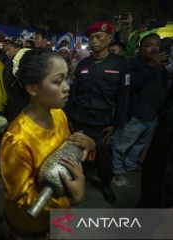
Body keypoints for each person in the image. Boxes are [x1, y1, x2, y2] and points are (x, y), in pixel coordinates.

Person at [0, 48, 95, 239]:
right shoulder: (17, 140)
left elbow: (67, 156)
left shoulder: (59, 114)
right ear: (33, 88)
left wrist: (88, 146)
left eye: (67, 78)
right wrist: (71, 198)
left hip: (60, 218)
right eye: (57, 81)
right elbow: (22, 200)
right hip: (34, 225)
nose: (67, 86)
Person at [67, 21, 130, 204]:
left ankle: (105, 184)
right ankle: (78, 182)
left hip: (103, 125)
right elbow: (74, 93)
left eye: (98, 37)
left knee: (104, 160)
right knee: (77, 156)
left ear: (110, 39)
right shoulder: (83, 64)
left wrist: (115, 125)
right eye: (91, 38)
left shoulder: (120, 64)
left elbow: (123, 97)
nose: (94, 41)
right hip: (80, 121)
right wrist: (70, 118)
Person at [112, 33, 167, 186]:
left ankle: (129, 165)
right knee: (121, 146)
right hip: (135, 116)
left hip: (152, 116)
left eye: (157, 45)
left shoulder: (160, 66)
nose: (154, 49)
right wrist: (149, 67)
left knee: (139, 146)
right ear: (140, 48)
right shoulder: (133, 65)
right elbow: (131, 87)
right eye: (149, 46)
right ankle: (117, 173)